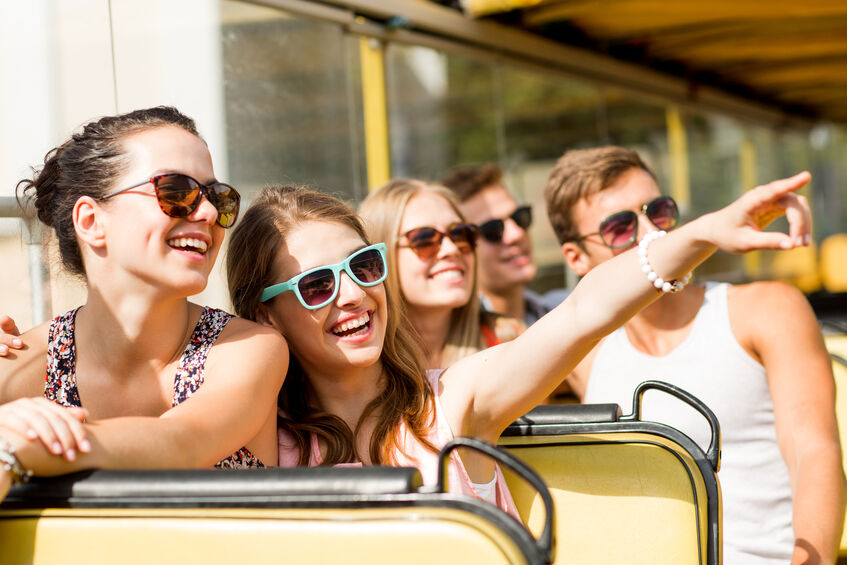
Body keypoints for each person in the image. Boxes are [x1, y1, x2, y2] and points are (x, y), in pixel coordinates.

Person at [225, 170, 811, 517]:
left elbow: (585, 309)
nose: (352, 294)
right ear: (265, 316)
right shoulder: (257, 441)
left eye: (365, 265)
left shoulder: (453, 402)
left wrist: (702, 233)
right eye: (318, 284)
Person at [543, 145, 844, 565]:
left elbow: (814, 451)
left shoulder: (764, 309)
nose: (653, 233)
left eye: (660, 211)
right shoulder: (582, 353)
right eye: (620, 227)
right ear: (575, 257)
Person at [0, 107, 288, 501]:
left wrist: (23, 443)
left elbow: (181, 443)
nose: (206, 213)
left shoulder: (249, 349)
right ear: (90, 221)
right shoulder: (17, 367)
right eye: (175, 191)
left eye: (218, 198)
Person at [357, 179, 521, 370]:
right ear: (380, 259)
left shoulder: (510, 341)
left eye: (460, 234)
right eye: (424, 239)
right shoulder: (361, 367)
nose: (451, 249)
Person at [442, 164, 567, 326]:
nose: (516, 234)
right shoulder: (455, 344)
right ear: (459, 249)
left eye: (519, 217)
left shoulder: (564, 308)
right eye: (492, 230)